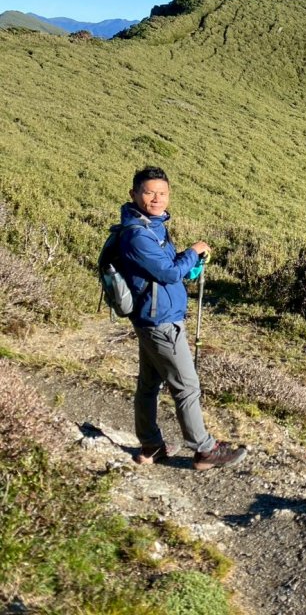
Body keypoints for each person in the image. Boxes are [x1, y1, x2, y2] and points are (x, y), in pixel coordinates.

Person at [118, 165, 246, 470]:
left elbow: (166, 269)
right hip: (160, 320)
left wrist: (188, 265)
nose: (157, 198)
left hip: (152, 316)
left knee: (149, 384)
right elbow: (168, 271)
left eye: (162, 193)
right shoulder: (138, 235)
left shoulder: (152, 225)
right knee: (186, 386)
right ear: (134, 194)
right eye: (149, 192)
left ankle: (151, 446)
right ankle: (204, 450)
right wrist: (193, 251)